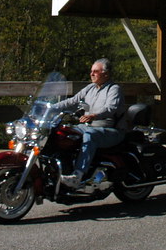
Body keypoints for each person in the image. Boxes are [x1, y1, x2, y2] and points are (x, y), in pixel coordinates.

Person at [53, 58, 124, 186]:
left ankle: (78, 175)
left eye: (95, 71)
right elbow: (72, 101)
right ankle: (60, 168)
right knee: (63, 132)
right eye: (91, 71)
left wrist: (94, 115)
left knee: (89, 136)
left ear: (105, 74)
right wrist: (50, 107)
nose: (91, 74)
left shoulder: (114, 89)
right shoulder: (90, 88)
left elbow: (111, 108)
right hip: (87, 126)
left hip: (110, 130)